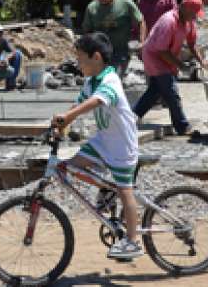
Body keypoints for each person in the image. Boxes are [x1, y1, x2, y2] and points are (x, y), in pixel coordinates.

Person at [51, 32, 142, 259]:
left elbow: (96, 102)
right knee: (68, 167)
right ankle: (108, 190)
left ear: (97, 57)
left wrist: (68, 117)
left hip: (121, 145)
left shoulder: (110, 79)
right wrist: (64, 122)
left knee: (125, 190)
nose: (78, 63)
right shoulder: (92, 81)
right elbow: (79, 102)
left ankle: (134, 240)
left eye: (81, 58)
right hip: (103, 142)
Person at [133, 0, 208, 135]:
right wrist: (181, 66)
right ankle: (182, 126)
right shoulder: (169, 21)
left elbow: (192, 44)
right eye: (193, 13)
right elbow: (162, 51)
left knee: (154, 91)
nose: (194, 17)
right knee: (171, 91)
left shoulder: (188, 22)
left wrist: (202, 61)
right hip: (154, 56)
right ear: (185, 8)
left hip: (167, 56)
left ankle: (130, 117)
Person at [83, 0, 146, 78]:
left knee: (113, 79)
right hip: (99, 54)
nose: (101, 0)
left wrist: (142, 41)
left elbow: (140, 21)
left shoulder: (125, 4)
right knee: (100, 83)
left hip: (120, 52)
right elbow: (87, 31)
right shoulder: (91, 8)